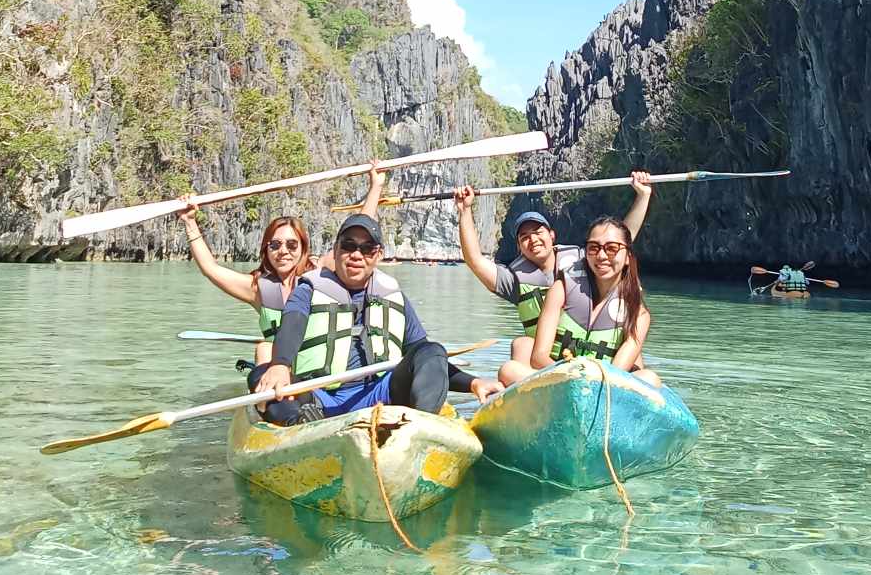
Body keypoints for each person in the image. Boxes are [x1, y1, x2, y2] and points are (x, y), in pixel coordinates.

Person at [250, 213, 503, 423]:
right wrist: (280, 364)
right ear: (336, 250)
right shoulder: (308, 289)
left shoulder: (392, 294)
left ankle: (420, 428)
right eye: (348, 246)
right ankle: (302, 428)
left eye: (367, 248)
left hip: (379, 396)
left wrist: (473, 383)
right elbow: (292, 323)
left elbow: (427, 359)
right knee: (261, 375)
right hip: (318, 397)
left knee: (432, 349)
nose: (356, 255)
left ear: (378, 254)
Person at [177, 166, 387, 363]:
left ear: (303, 248)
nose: (283, 251)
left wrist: (375, 186)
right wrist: (189, 222)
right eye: (275, 245)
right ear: (266, 249)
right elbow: (210, 269)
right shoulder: (257, 288)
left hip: (321, 365)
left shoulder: (321, 272)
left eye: (292, 244)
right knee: (264, 349)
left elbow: (359, 234)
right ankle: (270, 397)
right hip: (280, 369)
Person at [452, 171, 652, 374]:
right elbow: (475, 261)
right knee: (521, 345)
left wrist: (643, 196)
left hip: (596, 356)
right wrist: (465, 211)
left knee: (638, 359)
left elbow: (621, 239)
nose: (533, 240)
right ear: (520, 247)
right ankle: (529, 394)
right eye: (525, 237)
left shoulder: (585, 260)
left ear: (552, 235)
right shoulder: (515, 280)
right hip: (550, 357)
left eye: (538, 232)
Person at [506, 215, 661, 388]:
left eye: (612, 248)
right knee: (509, 369)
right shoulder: (561, 288)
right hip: (557, 380)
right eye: (593, 248)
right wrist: (572, 378)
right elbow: (538, 357)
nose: (601, 256)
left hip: (604, 386)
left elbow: (617, 373)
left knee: (649, 378)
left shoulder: (639, 314)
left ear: (627, 257)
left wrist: (587, 382)